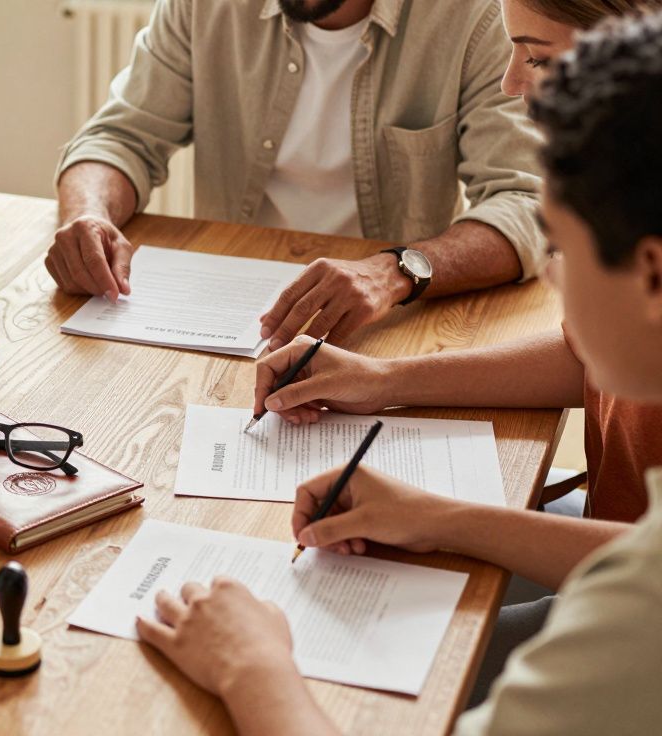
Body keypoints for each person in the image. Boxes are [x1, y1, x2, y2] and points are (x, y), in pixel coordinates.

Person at [137, 11, 662, 733]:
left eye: (562, 250)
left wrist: (249, 668)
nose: (547, 271)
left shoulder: (636, 619)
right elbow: (583, 356)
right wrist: (387, 385)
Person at [254, 0, 662, 525]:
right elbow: (583, 355)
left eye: (537, 59)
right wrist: (383, 379)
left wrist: (437, 520)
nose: (509, 83)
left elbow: (639, 576)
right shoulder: (631, 194)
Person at [47, 0, 545, 351]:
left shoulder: (478, 18)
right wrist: (88, 214)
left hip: (389, 318)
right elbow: (121, 137)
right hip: (225, 316)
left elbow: (525, 202)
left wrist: (394, 271)